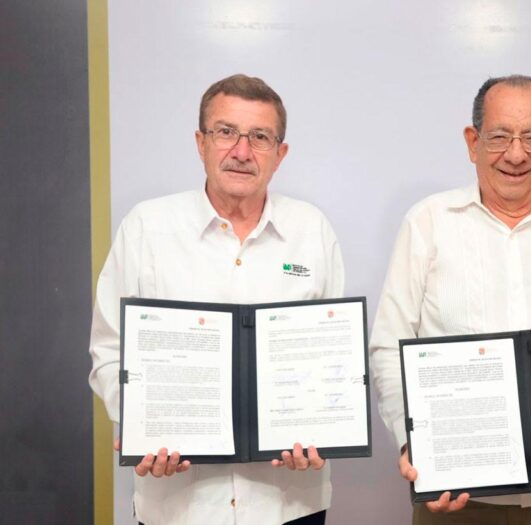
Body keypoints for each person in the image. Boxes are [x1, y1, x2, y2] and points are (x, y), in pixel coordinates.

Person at [369, 74, 531, 524]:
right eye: (499, 137)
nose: (515, 155)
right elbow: (388, 347)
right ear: (473, 142)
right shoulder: (427, 222)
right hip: (457, 496)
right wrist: (412, 440)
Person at [89, 74, 343, 525]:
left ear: (280, 153)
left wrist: (325, 426)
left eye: (260, 137)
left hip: (289, 503)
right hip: (178, 505)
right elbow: (110, 350)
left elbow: (333, 356)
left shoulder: (312, 230)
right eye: (226, 132)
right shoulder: (147, 227)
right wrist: (140, 423)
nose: (242, 152)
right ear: (201, 142)